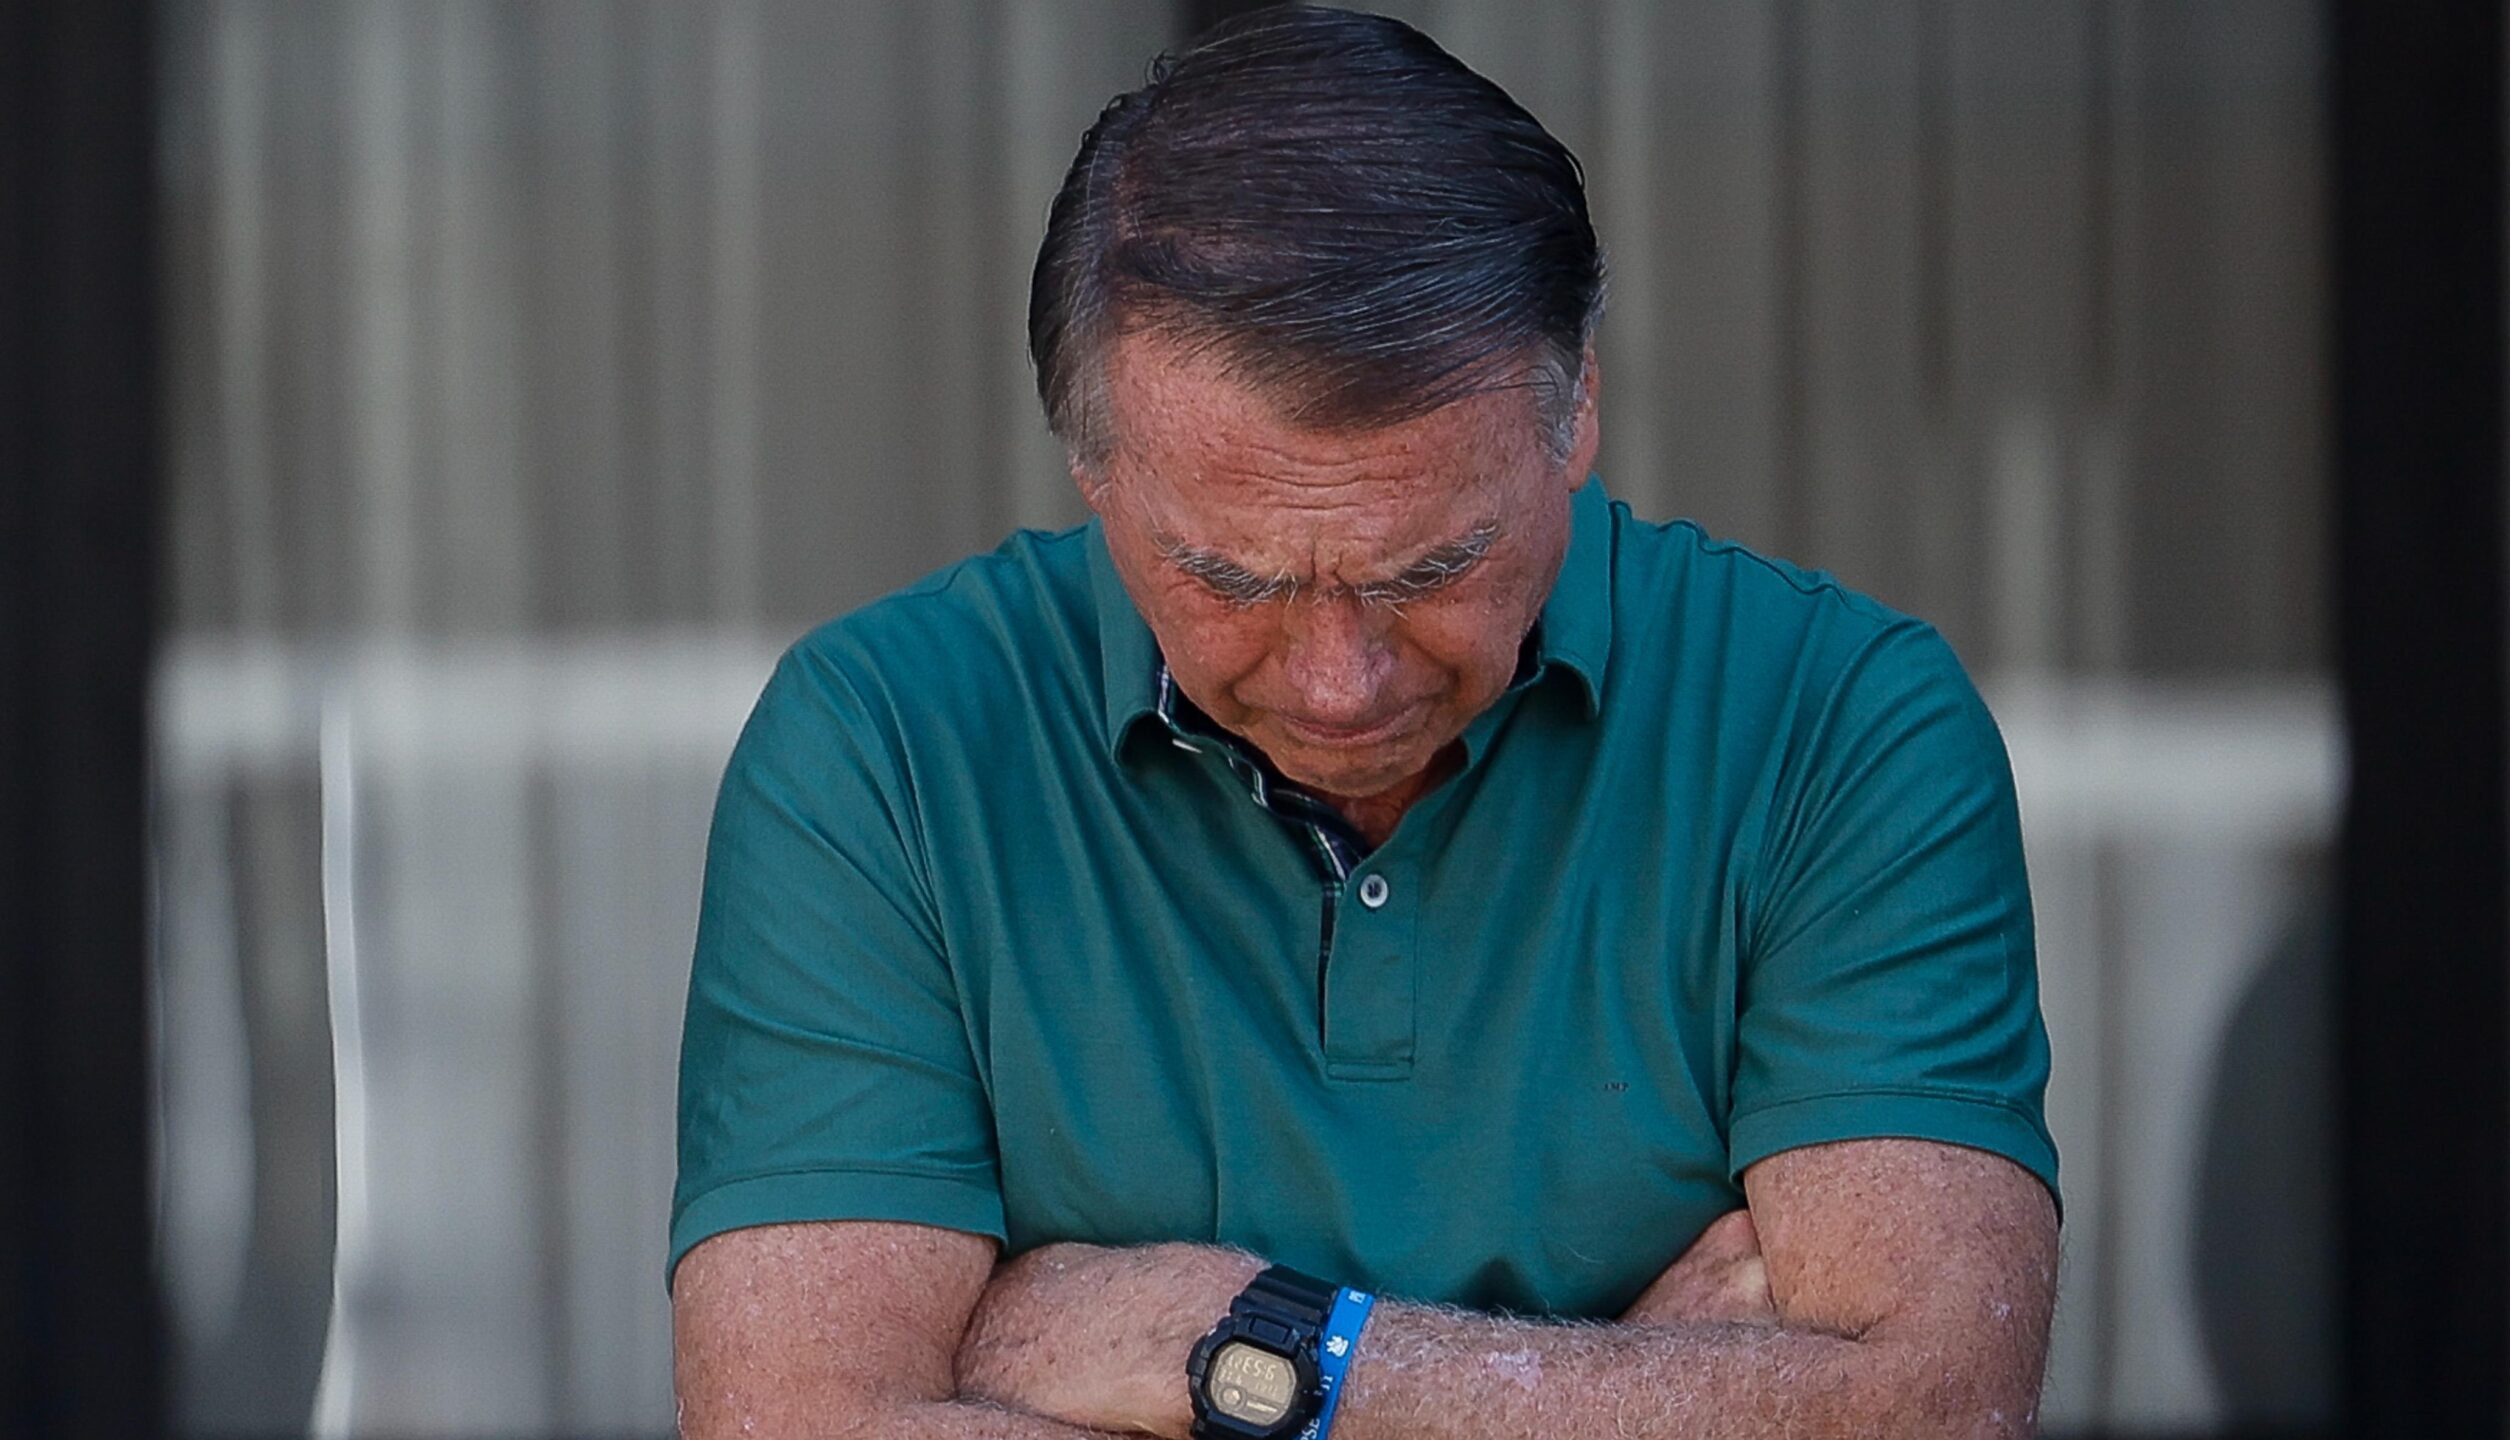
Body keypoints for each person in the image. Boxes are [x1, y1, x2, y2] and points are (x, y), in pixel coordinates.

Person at [669, 7, 2060, 1438]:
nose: (1339, 682)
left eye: (1431, 571)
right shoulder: (885, 746)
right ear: (1093, 467)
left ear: (1577, 406)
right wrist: (1644, 1395)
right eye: (1229, 579)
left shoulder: (1838, 723)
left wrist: (1234, 1346)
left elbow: (1930, 1414)